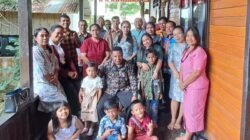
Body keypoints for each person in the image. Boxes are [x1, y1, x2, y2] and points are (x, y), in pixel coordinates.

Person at [176, 27, 209, 140]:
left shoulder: (200, 52)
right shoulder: (187, 50)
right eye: (187, 35)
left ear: (197, 37)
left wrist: (184, 84)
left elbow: (197, 72)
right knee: (187, 109)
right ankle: (188, 132)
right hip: (187, 85)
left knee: (193, 111)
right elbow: (182, 66)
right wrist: (181, 81)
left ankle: (188, 136)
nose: (189, 38)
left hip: (197, 87)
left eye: (192, 36)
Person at [33, 27, 67, 113]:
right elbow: (42, 70)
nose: (45, 38)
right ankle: (55, 125)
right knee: (62, 103)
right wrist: (53, 81)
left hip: (54, 80)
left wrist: (56, 76)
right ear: (35, 38)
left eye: (46, 35)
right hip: (43, 83)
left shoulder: (49, 49)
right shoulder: (35, 50)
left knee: (64, 103)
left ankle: (61, 125)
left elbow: (56, 65)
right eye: (42, 36)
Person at [97, 47, 137, 119]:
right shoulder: (106, 64)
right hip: (110, 91)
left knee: (132, 105)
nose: (118, 58)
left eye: (120, 56)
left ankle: (125, 124)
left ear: (122, 55)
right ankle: (105, 125)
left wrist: (134, 94)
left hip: (124, 90)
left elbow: (133, 80)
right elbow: (98, 75)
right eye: (115, 56)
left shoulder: (128, 65)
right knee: (99, 107)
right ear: (112, 56)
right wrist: (98, 69)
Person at [59, 14, 82, 115]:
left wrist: (76, 39)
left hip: (74, 62)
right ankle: (69, 110)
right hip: (63, 64)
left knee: (77, 86)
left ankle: (77, 109)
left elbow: (79, 46)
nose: (65, 23)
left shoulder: (73, 33)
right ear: (60, 22)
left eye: (67, 21)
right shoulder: (59, 33)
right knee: (67, 88)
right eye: (63, 21)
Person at [167, 26, 186, 130]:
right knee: (174, 98)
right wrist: (175, 71)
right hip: (175, 75)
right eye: (174, 35)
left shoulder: (189, 45)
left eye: (179, 33)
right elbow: (170, 61)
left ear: (184, 33)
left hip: (186, 76)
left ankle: (179, 119)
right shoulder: (172, 45)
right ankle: (173, 119)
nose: (177, 36)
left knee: (184, 98)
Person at [139, 49, 162, 128]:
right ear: (146, 58)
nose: (151, 59)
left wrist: (161, 93)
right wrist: (142, 93)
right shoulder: (143, 68)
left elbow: (161, 81)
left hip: (156, 94)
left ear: (156, 57)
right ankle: (148, 122)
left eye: (153, 57)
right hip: (147, 93)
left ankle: (154, 121)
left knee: (155, 108)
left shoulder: (157, 69)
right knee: (147, 109)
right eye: (149, 57)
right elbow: (142, 81)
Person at [79, 63, 103, 136]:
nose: (91, 73)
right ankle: (86, 127)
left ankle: (91, 128)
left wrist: (98, 100)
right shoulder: (85, 79)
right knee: (85, 112)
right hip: (86, 97)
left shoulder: (98, 79)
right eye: (89, 71)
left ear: (96, 71)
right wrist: (80, 97)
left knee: (93, 113)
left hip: (94, 98)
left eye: (93, 71)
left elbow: (99, 90)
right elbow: (82, 89)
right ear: (86, 71)